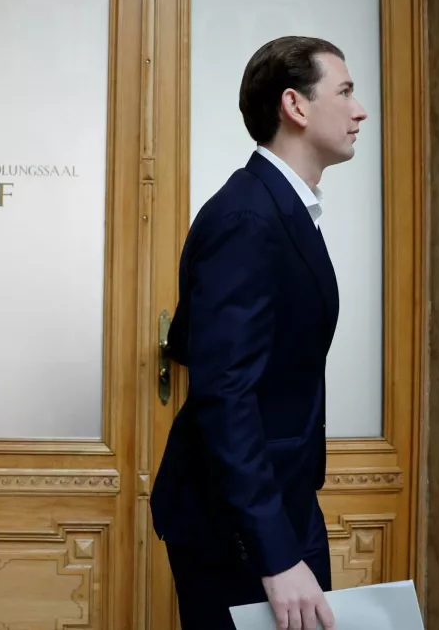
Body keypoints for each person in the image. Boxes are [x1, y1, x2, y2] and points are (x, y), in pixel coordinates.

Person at [150, 36, 368, 630]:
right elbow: (225, 395)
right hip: (239, 528)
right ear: (295, 106)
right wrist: (275, 553)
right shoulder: (248, 217)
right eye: (345, 91)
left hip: (280, 504)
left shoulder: (281, 207)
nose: (359, 110)